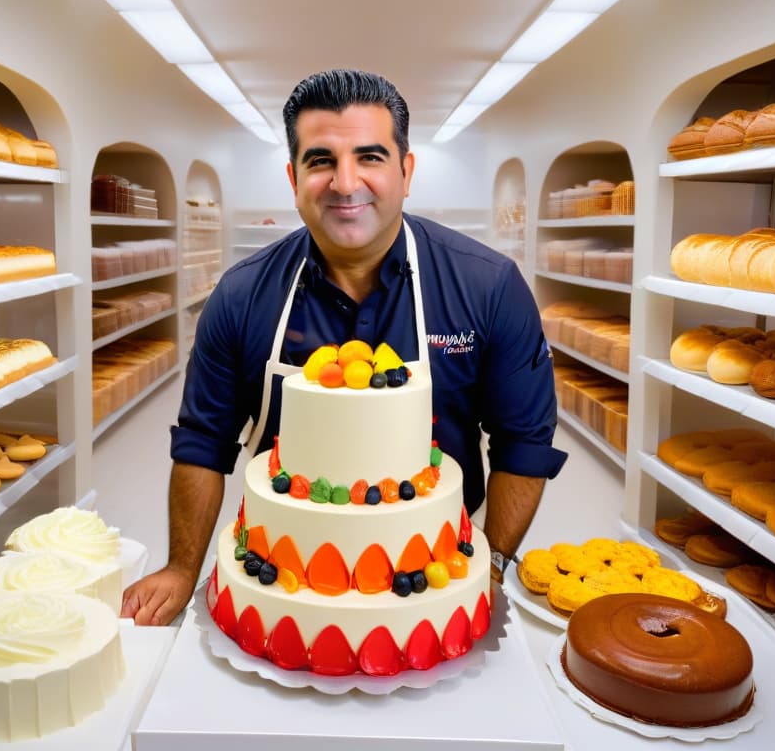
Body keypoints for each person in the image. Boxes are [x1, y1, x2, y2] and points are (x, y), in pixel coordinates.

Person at [121, 68, 567, 626]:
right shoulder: (240, 295)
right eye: (321, 160)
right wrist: (182, 569)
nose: (345, 182)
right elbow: (202, 445)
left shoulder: (489, 287)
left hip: (436, 565)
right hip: (283, 571)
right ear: (293, 176)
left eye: (371, 157)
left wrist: (493, 560)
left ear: (406, 170)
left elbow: (522, 442)